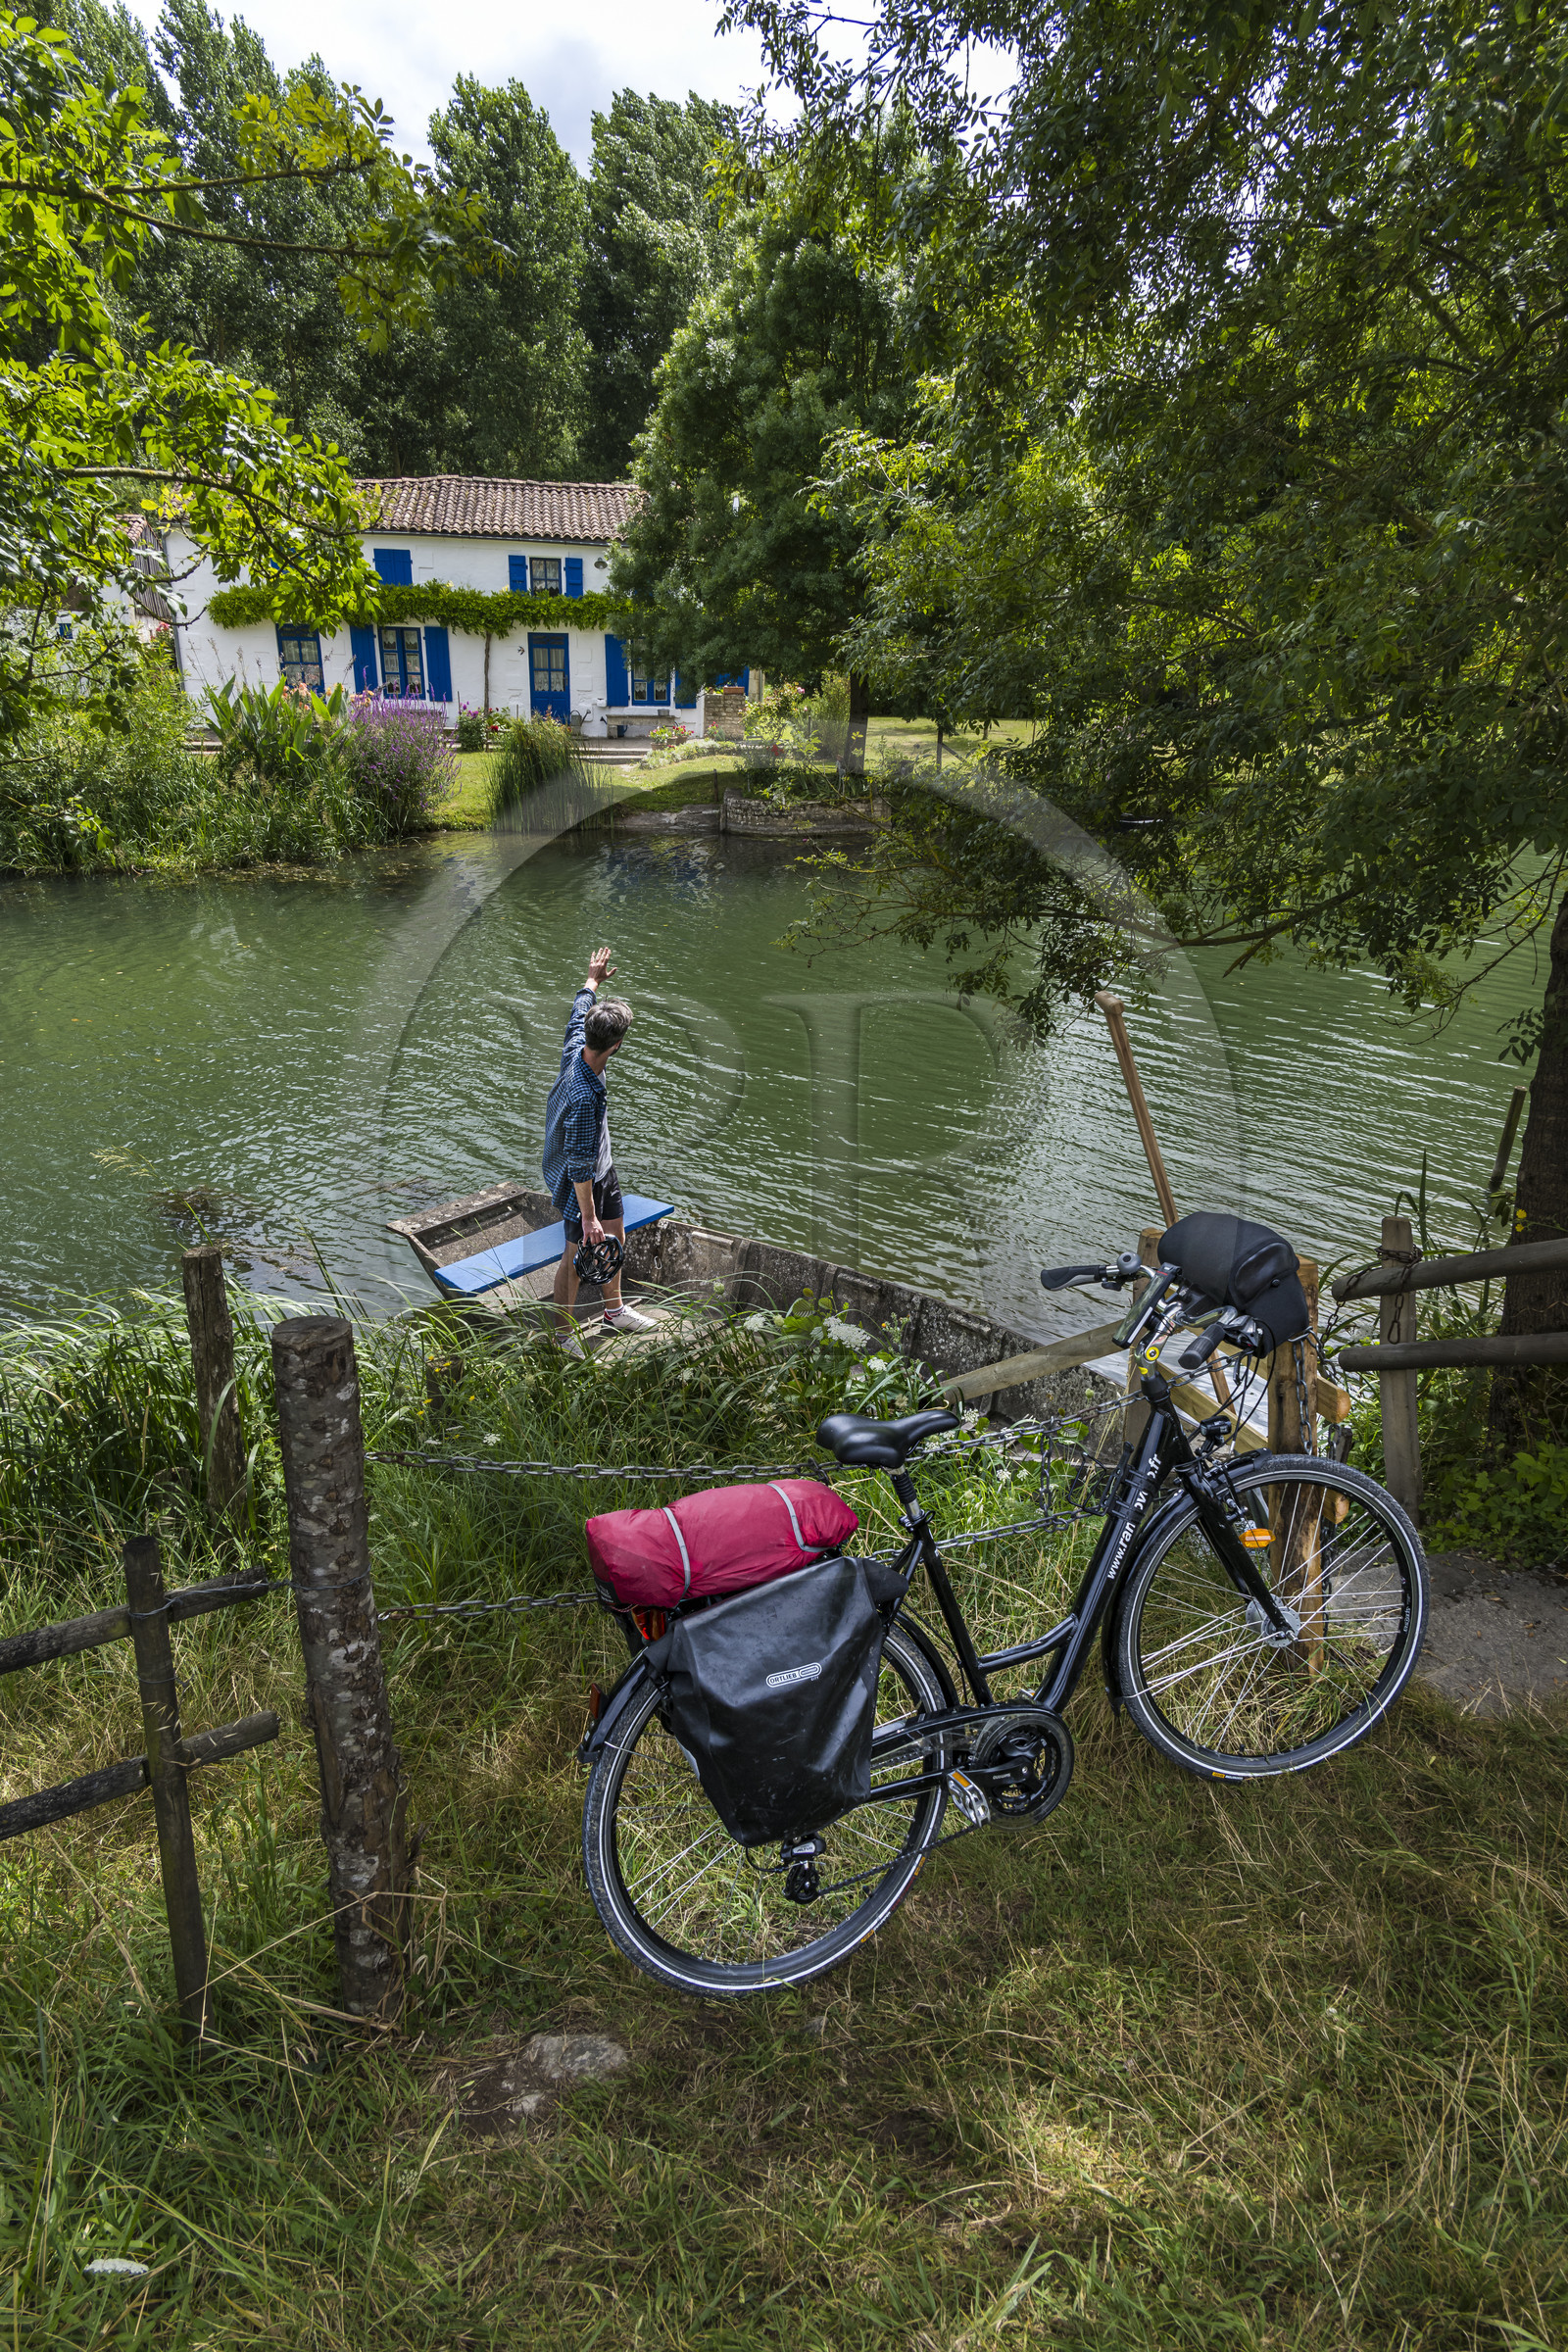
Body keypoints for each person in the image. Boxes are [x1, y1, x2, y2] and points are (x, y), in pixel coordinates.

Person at [541, 945, 655, 1355]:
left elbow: (579, 1007)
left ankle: (614, 1310)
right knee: (575, 1257)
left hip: (599, 1168)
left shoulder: (577, 1046)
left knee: (616, 1239)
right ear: (617, 1045)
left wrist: (593, 979)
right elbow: (577, 1162)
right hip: (578, 1181)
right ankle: (564, 1337)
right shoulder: (585, 1098)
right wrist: (588, 1217)